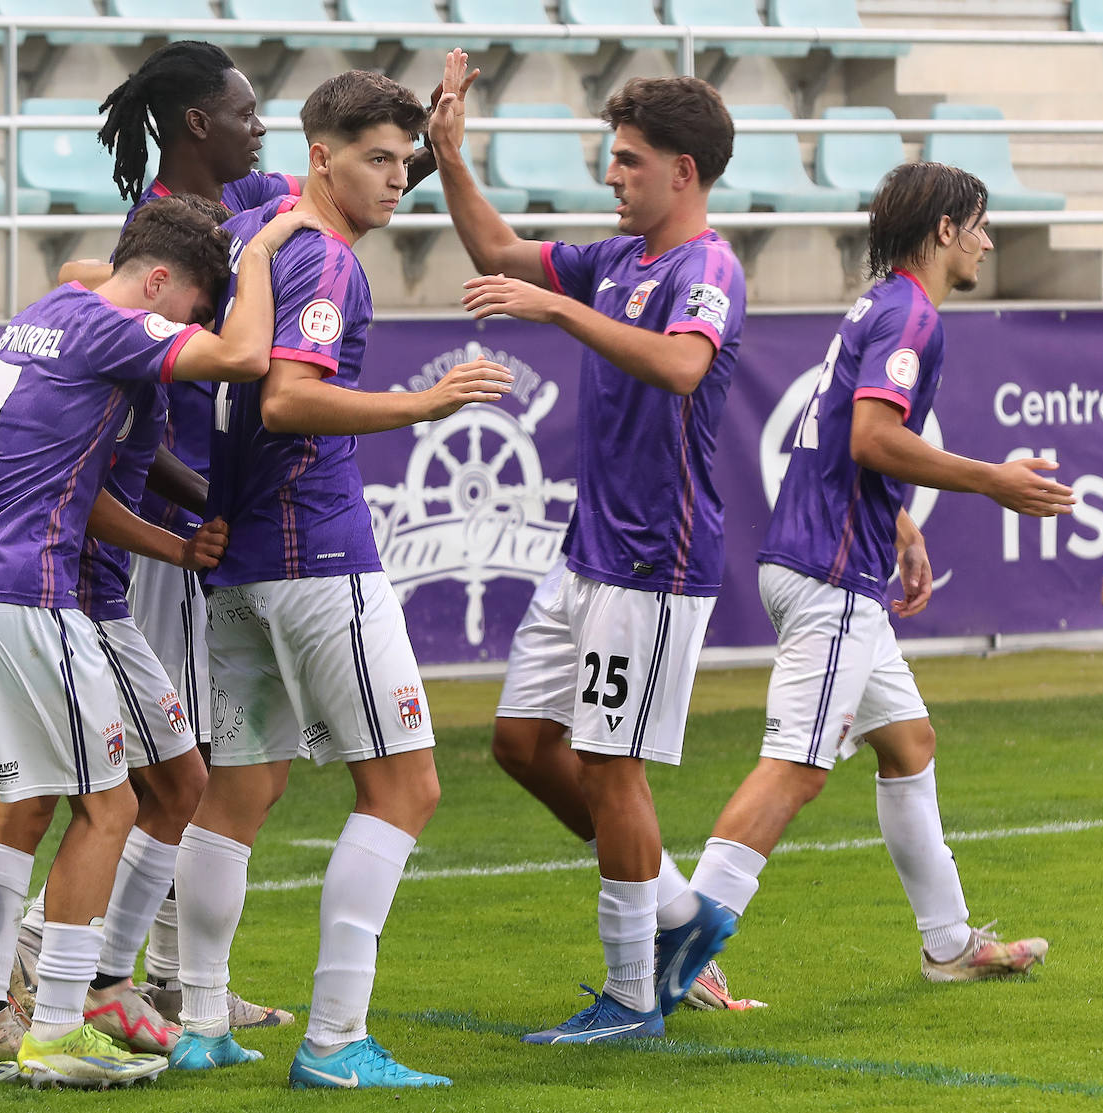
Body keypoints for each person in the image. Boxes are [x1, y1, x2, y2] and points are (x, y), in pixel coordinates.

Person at [0, 194, 314, 1088]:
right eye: (188, 306)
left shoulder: (47, 313)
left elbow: (80, 481)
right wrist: (265, 247)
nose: (188, 331)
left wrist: (172, 543)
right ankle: (63, 1025)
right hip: (28, 597)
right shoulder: (113, 332)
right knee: (107, 807)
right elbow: (246, 355)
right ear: (156, 282)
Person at [171, 70, 513, 1089]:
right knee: (405, 785)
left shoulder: (261, 231)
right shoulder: (324, 262)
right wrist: (424, 404)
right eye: (378, 158)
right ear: (319, 157)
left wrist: (434, 124)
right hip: (315, 555)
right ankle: (333, 1039)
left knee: (237, 791)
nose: (397, 178)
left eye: (406, 161)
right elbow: (286, 401)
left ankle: (197, 1022)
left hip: (238, 562)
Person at [682, 161, 1070, 984]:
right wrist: (994, 479)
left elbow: (836, 435)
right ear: (943, 231)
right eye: (980, 225)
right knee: (796, 766)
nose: (988, 241)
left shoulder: (881, 304)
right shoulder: (912, 315)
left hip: (833, 560)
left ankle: (949, 943)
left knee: (909, 744)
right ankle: (673, 954)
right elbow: (868, 437)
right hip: (827, 574)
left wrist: (898, 522)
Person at [430, 55, 747, 1040]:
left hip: (654, 560)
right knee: (523, 745)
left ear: (682, 172)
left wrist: (563, 310)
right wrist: (449, 155)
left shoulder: (707, 269)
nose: (612, 178)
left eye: (628, 162)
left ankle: (632, 994)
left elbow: (685, 367)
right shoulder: (619, 262)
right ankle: (680, 914)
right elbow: (494, 244)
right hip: (589, 554)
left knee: (614, 769)